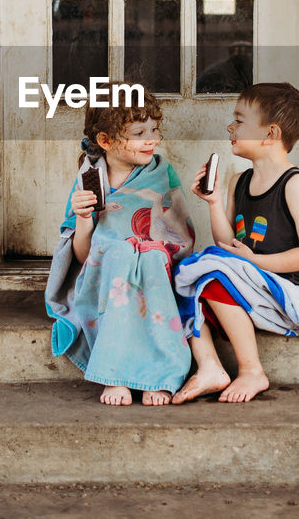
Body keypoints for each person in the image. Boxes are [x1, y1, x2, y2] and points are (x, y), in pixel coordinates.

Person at [172, 82, 299, 404]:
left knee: (212, 273)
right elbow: (228, 244)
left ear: (271, 133)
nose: (230, 127)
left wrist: (254, 263)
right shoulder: (239, 181)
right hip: (248, 283)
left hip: (285, 290)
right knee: (189, 279)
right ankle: (210, 366)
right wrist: (214, 203)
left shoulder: (294, 184)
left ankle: (251, 370)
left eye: (240, 120)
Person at [43, 87, 196, 406]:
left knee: (149, 257)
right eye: (139, 133)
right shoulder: (90, 178)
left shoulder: (160, 173)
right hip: (107, 272)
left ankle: (158, 374)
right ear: (105, 141)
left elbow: (179, 240)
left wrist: (149, 247)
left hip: (153, 270)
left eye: (154, 129)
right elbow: (85, 256)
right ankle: (115, 374)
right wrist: (84, 217)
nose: (151, 139)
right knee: (120, 252)